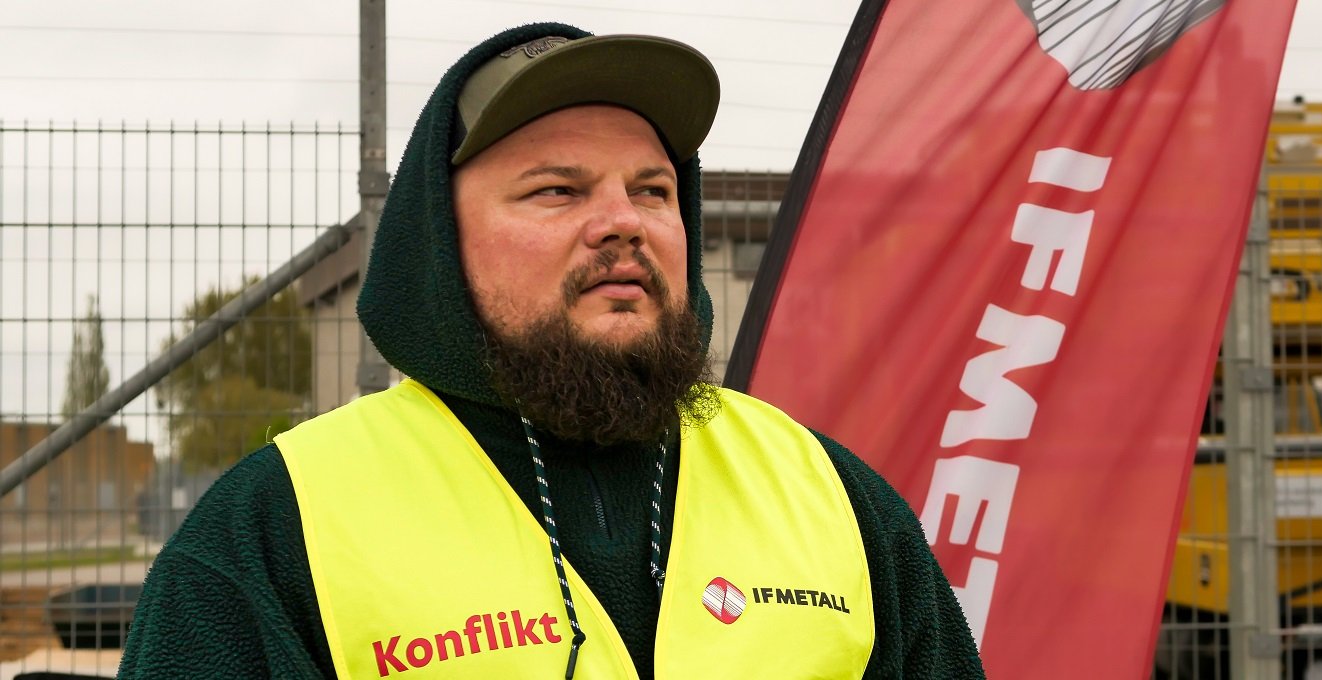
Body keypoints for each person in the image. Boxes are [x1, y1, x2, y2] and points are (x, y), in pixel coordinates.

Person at [119, 22, 983, 679]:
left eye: (653, 189)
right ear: (441, 244)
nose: (625, 222)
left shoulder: (836, 502)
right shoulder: (270, 536)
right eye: (557, 190)